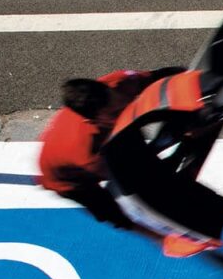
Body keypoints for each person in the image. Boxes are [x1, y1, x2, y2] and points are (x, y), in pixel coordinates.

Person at [37, 71, 177, 229]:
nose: (123, 111)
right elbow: (130, 175)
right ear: (93, 120)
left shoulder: (120, 82)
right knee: (111, 211)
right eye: (115, 113)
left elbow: (168, 76)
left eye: (124, 103)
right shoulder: (87, 152)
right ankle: (154, 236)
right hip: (70, 182)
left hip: (107, 134)